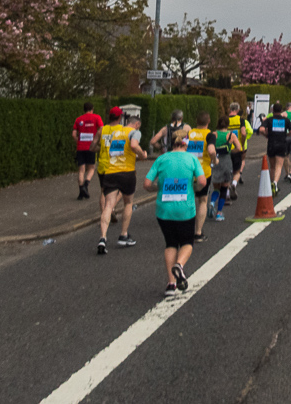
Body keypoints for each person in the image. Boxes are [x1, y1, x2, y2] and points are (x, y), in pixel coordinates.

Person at [144, 130, 205, 297]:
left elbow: (147, 183)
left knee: (170, 243)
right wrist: (194, 189)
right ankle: (179, 265)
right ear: (186, 143)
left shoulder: (161, 159)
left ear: (171, 142)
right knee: (187, 242)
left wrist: (158, 188)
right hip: (185, 209)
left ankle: (171, 284)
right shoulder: (192, 158)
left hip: (164, 210)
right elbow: (202, 181)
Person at [92, 108, 147, 254]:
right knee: (128, 203)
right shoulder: (134, 132)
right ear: (136, 124)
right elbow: (134, 145)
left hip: (110, 171)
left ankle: (102, 238)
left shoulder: (115, 133)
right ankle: (123, 235)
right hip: (127, 172)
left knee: (108, 205)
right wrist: (143, 155)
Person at [186, 111, 216, 242]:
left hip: (187, 171)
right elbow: (211, 150)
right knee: (203, 201)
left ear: (196, 121)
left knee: (188, 200)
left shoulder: (189, 134)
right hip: (203, 172)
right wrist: (214, 160)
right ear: (208, 121)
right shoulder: (210, 135)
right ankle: (198, 233)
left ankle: (185, 230)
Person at [258, 103, 291, 195]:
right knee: (279, 166)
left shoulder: (269, 120)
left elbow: (261, 129)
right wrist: (286, 135)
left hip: (271, 144)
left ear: (273, 110)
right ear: (281, 110)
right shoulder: (286, 120)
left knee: (272, 167)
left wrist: (266, 135)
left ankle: (271, 184)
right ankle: (275, 183)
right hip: (281, 144)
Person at [210, 117, 242, 221]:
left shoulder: (214, 134)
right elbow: (239, 148)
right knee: (224, 188)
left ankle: (212, 202)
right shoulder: (231, 135)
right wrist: (230, 151)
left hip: (215, 161)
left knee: (216, 188)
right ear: (227, 125)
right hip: (226, 162)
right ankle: (219, 213)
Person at [72, 101, 103, 200]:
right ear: (92, 109)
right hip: (91, 147)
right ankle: (86, 184)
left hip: (80, 147)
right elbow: (101, 129)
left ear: (84, 109)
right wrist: (97, 139)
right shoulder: (96, 117)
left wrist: (79, 141)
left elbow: (73, 134)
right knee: (91, 168)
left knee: (81, 170)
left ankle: (81, 191)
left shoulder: (78, 119)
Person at [227, 102, 246, 199]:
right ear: (237, 110)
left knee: (227, 171)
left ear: (229, 109)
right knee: (237, 170)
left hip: (226, 148)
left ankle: (225, 193)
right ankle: (234, 184)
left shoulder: (225, 120)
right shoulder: (240, 120)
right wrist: (242, 144)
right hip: (236, 149)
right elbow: (243, 133)